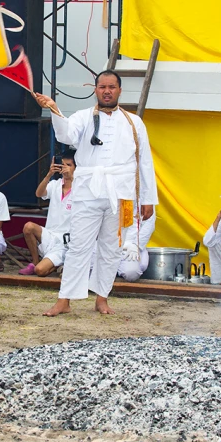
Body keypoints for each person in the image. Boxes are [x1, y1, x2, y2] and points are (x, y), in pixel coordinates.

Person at [34, 70, 158, 316]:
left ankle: (102, 297)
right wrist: (55, 109)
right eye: (102, 87)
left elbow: (145, 162)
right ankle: (65, 299)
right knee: (79, 245)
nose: (107, 91)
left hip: (121, 193)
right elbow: (66, 134)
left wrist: (148, 199)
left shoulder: (135, 122)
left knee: (112, 248)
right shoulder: (82, 117)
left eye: (112, 87)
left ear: (120, 90)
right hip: (88, 189)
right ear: (95, 89)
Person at [19, 150, 76, 277]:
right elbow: (39, 194)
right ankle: (35, 262)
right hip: (49, 234)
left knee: (40, 271)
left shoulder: (81, 187)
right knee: (28, 226)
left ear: (76, 168)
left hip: (67, 241)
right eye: (62, 164)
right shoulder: (55, 184)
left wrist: (72, 179)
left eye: (69, 165)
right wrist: (49, 174)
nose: (64, 168)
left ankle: (58, 264)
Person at [116, 207, 156, 281]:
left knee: (131, 273)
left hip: (131, 245)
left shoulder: (143, 197)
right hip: (105, 243)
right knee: (92, 270)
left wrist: (136, 245)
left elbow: (149, 224)